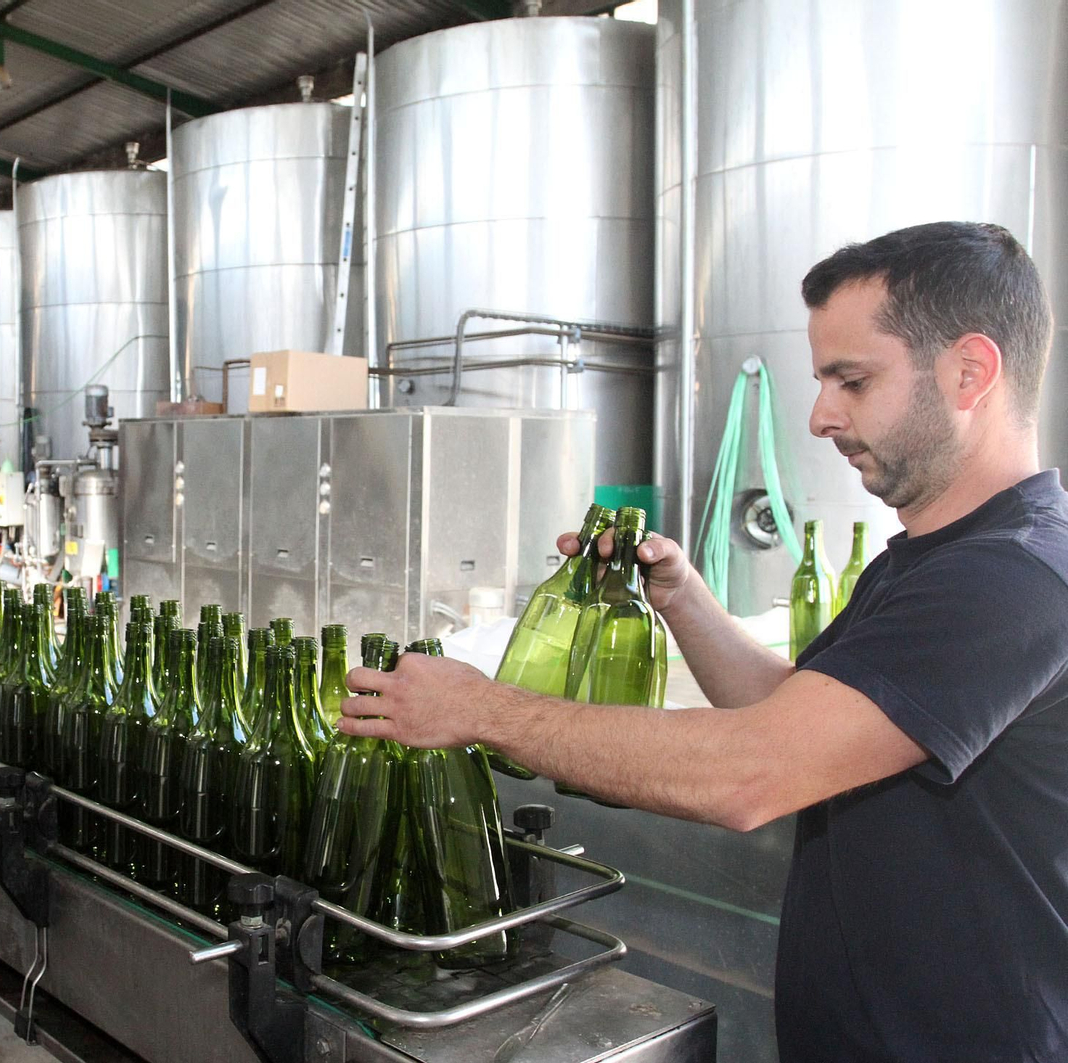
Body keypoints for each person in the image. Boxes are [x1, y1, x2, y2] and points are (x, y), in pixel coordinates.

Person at [339, 222, 1068, 1063]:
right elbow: (799, 712)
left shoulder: (1015, 578)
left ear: (969, 371)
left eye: (852, 380)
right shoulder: (924, 562)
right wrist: (680, 597)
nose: (821, 415)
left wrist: (480, 709)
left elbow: (753, 770)